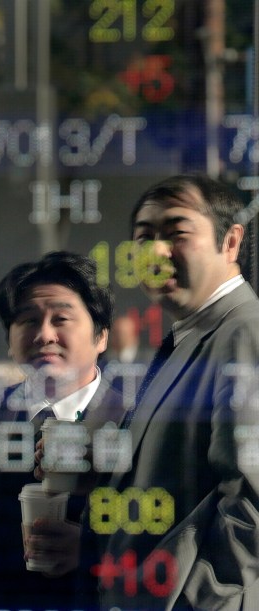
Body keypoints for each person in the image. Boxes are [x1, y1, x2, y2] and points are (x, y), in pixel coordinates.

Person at [82, 174, 259, 610]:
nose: (155, 252)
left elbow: (253, 508)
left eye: (177, 233)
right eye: (144, 237)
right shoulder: (193, 334)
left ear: (231, 242)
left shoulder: (244, 332)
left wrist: (190, 602)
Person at [0, 251, 125, 610]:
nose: (44, 334)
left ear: (101, 337)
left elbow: (165, 543)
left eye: (61, 319)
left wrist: (91, 549)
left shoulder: (136, 423)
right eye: (28, 320)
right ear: (9, 338)